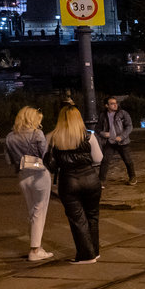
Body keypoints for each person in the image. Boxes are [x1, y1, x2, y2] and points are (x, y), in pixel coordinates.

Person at [44, 104, 103, 264]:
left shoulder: (52, 137)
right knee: (92, 216)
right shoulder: (89, 136)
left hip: (68, 181)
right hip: (91, 179)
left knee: (78, 219)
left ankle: (86, 255)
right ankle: (94, 251)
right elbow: (98, 159)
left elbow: (49, 163)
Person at [4, 106, 54, 262]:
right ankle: (35, 250)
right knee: (40, 210)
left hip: (23, 176)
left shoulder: (9, 137)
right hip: (40, 174)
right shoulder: (37, 134)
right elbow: (45, 155)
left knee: (33, 211)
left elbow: (8, 160)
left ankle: (36, 246)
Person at [100, 95, 137, 187]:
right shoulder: (103, 115)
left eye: (115, 103)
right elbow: (97, 128)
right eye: (112, 104)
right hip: (110, 142)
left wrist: (122, 136)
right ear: (106, 105)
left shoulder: (123, 113)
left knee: (128, 160)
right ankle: (101, 181)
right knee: (105, 161)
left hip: (122, 142)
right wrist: (103, 133)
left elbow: (129, 126)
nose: (115, 105)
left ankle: (132, 177)